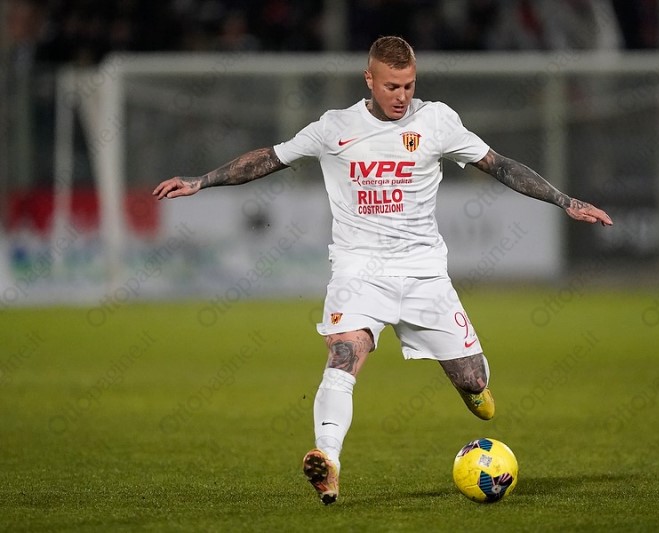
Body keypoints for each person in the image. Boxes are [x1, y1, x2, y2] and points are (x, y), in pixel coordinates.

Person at [153, 35, 613, 505]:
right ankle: (328, 459)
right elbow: (270, 158)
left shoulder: (436, 121)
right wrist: (201, 181)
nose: (402, 96)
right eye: (392, 86)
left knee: (474, 378)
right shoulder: (334, 127)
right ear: (369, 80)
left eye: (409, 85)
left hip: (424, 273)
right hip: (358, 272)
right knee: (344, 355)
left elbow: (499, 164)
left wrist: (565, 200)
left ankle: (473, 390)